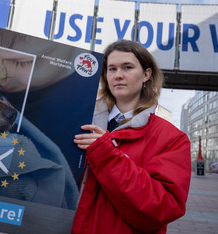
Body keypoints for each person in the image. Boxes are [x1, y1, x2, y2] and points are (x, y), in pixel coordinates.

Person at [73, 40, 191, 234]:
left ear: (146, 74)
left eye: (127, 67)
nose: (118, 75)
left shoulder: (172, 139)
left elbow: (162, 209)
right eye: (112, 69)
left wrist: (108, 156)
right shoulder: (79, 120)